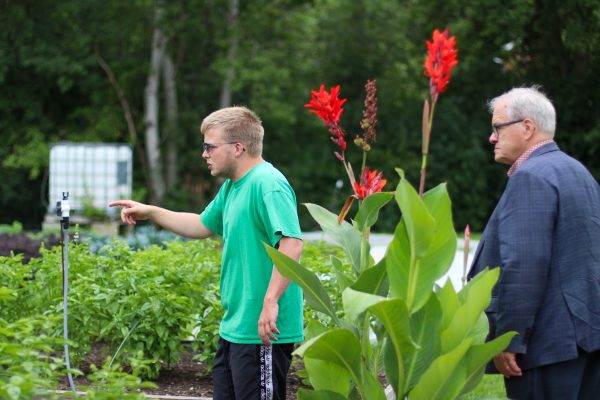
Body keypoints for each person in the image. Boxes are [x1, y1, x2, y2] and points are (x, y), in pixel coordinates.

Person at [109, 106, 304, 400]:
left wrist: (270, 301)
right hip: (236, 328)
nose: (204, 154)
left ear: (238, 148)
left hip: (263, 330)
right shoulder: (232, 187)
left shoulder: (268, 184)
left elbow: (291, 244)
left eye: (209, 147)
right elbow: (202, 224)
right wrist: (150, 211)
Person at [467, 86, 600, 399]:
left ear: (527, 127)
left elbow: (525, 266)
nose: (492, 137)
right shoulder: (578, 172)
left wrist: (509, 339)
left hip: (546, 348)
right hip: (587, 341)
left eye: (497, 127)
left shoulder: (532, 177)